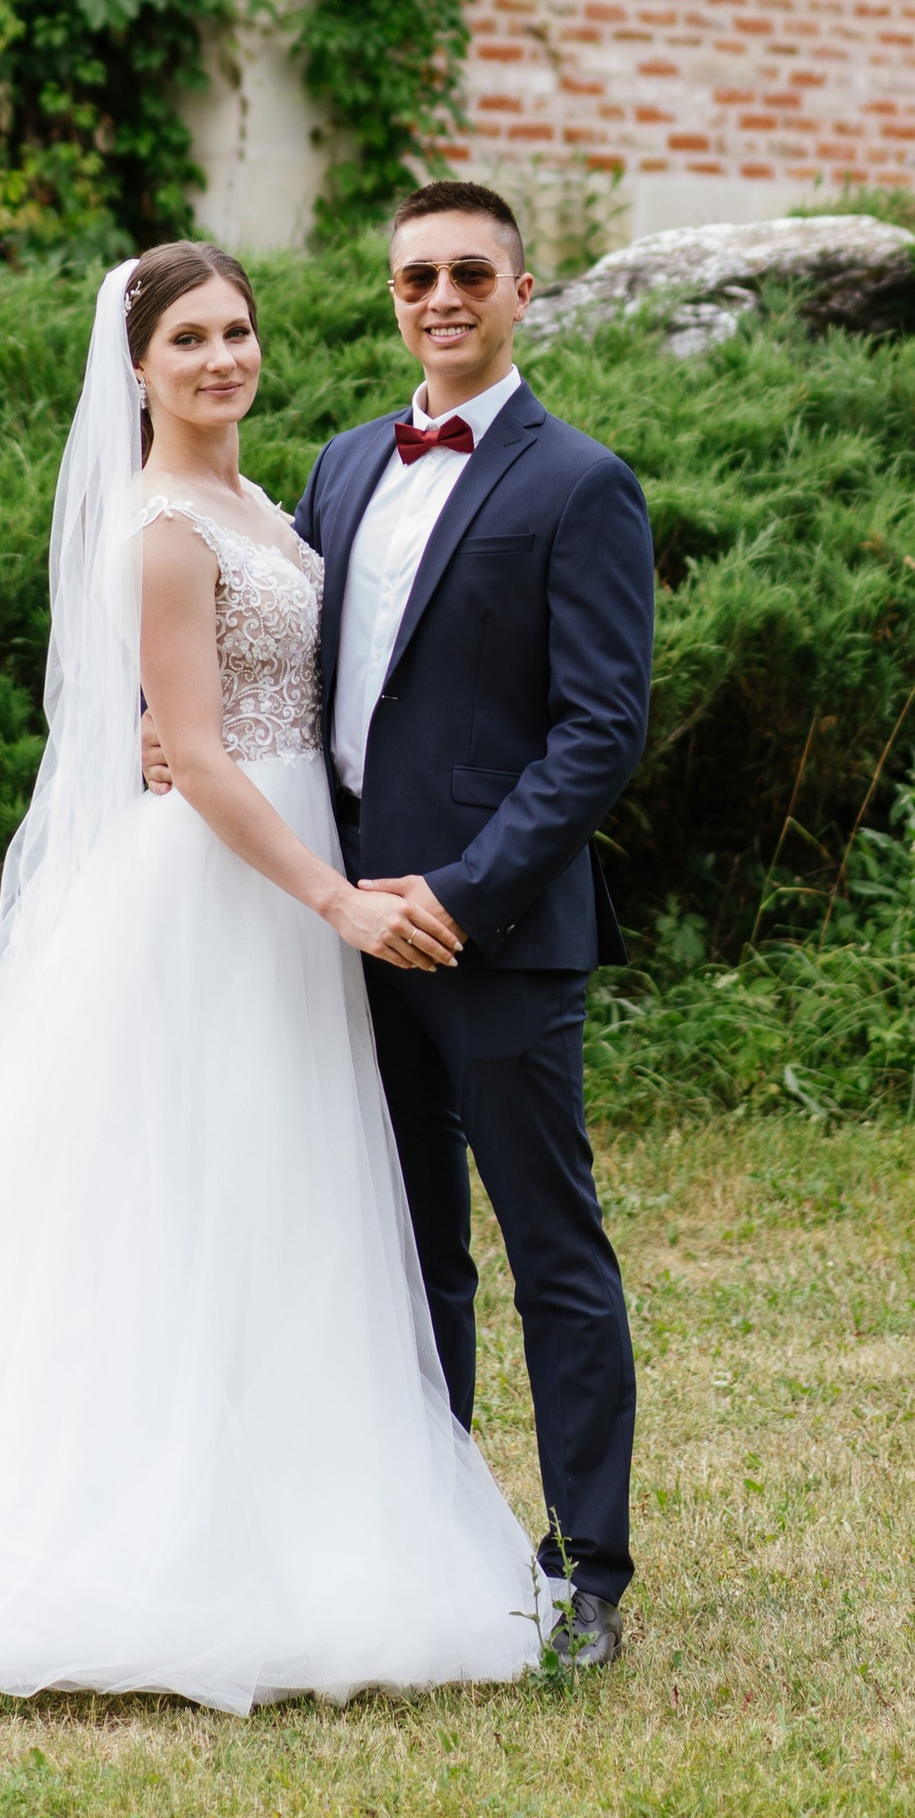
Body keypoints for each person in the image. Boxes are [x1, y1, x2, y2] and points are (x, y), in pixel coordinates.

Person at [0, 242, 550, 1710]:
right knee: (192, 1194)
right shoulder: (164, 526)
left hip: (297, 861)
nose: (224, 359)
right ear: (138, 369)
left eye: (238, 330)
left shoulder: (267, 503)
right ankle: (156, 1535)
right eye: (190, 341)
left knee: (291, 1194)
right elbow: (203, 751)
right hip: (228, 888)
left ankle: (301, 1501)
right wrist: (330, 901)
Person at [145, 177, 654, 1667]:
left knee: (551, 1244)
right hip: (335, 926)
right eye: (415, 276)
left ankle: (590, 1568)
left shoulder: (581, 484)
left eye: (470, 276)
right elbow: (271, 658)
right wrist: (170, 740)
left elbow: (599, 728)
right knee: (401, 1251)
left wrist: (461, 892)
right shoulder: (342, 465)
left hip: (491, 933)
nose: (441, 298)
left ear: (521, 292)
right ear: (392, 295)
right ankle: (425, 1539)